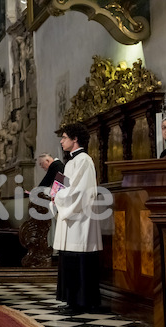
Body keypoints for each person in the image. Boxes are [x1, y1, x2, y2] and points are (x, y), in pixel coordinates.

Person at [52, 123, 102, 312]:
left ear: (75, 139)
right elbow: (63, 187)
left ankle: (82, 302)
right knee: (69, 258)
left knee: (79, 257)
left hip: (80, 219)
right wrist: (54, 193)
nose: (61, 140)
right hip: (70, 217)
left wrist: (59, 196)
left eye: (64, 137)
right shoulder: (70, 162)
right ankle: (71, 300)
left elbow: (80, 191)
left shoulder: (84, 160)